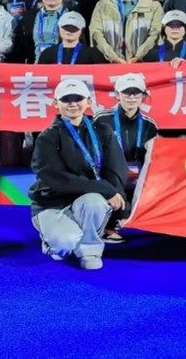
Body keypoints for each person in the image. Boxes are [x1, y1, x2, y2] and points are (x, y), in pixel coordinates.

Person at [29, 79, 129, 270]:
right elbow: (56, 178)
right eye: (66, 99)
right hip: (52, 203)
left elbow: (115, 168)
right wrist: (104, 188)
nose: (73, 104)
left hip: (86, 199)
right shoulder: (48, 136)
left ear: (88, 101)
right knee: (65, 243)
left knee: (95, 202)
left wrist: (120, 201)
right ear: (56, 103)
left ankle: (90, 250)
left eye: (78, 98)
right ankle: (53, 243)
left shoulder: (102, 130)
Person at [93, 73, 160, 242]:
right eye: (126, 93)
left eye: (136, 93)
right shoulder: (101, 119)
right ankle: (106, 226)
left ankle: (127, 215)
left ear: (143, 96)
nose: (131, 97)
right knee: (120, 204)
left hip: (137, 176)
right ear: (117, 95)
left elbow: (151, 157)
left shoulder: (150, 124)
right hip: (109, 174)